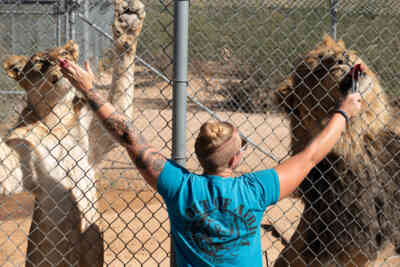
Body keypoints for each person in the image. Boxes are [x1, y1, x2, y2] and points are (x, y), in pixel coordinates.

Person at [59, 59, 361, 267]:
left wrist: (89, 90)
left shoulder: (180, 186)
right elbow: (310, 155)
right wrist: (345, 110)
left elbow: (127, 135)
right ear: (236, 157)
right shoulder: (255, 190)